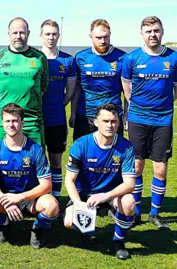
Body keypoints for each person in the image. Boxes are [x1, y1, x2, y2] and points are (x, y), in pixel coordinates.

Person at [121, 16, 177, 229]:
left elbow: (175, 88)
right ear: (141, 33)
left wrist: (164, 105)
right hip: (137, 119)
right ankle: (135, 212)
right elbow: (126, 87)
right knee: (136, 165)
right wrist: (136, 106)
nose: (153, 34)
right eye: (148, 31)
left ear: (162, 32)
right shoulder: (132, 58)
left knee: (160, 168)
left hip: (163, 121)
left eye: (156, 30)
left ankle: (155, 213)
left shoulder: (173, 58)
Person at [0, 103, 58, 248]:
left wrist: (20, 197)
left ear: (22, 122)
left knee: (52, 206)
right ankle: (4, 223)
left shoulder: (35, 149)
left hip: (31, 199)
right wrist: (6, 200)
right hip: (6, 198)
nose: (11, 125)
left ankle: (37, 228)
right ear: (2, 123)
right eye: (7, 121)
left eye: (15, 121)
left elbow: (47, 185)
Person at [64, 103, 135, 260]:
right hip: (84, 195)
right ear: (96, 122)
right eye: (105, 121)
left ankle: (118, 240)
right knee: (69, 221)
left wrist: (105, 196)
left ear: (119, 122)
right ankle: (87, 232)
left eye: (113, 121)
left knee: (129, 203)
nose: (110, 125)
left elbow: (130, 184)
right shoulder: (81, 144)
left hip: (110, 195)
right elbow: (69, 180)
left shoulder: (126, 147)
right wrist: (79, 204)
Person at [0, 17, 49, 148]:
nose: (18, 36)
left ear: (28, 33)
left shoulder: (39, 58)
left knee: (36, 164)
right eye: (15, 32)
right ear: (9, 34)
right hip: (4, 123)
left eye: (22, 32)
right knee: (3, 163)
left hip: (32, 123)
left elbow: (43, 88)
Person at [39, 19, 77, 198]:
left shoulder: (67, 60)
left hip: (57, 119)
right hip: (35, 120)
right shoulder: (33, 58)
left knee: (55, 160)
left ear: (58, 36)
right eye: (47, 34)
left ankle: (55, 197)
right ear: (41, 36)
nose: (51, 37)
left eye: (54, 34)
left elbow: (70, 91)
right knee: (34, 160)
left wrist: (57, 105)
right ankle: (36, 196)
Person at [71, 19, 126, 141]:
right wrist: (73, 113)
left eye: (106, 37)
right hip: (86, 115)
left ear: (110, 35)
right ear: (91, 36)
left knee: (114, 157)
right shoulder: (81, 58)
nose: (103, 41)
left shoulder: (122, 58)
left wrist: (126, 115)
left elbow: (127, 91)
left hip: (112, 116)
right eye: (98, 37)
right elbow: (77, 88)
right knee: (82, 155)